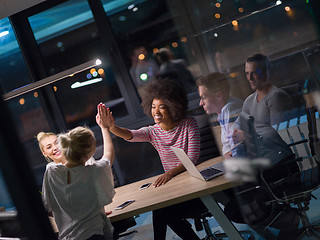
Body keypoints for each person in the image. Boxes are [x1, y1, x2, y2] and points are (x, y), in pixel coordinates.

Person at [105, 77, 206, 240]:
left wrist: (169, 174)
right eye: (153, 107)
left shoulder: (189, 124)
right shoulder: (153, 132)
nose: (156, 112)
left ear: (173, 107)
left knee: (163, 212)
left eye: (162, 107)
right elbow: (131, 135)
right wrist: (112, 127)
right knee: (161, 210)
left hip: (195, 185)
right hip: (174, 189)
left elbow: (192, 158)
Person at [229, 53, 300, 240]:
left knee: (242, 202)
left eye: (255, 72)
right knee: (235, 198)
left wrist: (249, 135)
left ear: (266, 72)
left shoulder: (276, 96)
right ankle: (285, 220)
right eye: (247, 73)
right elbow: (238, 126)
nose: (250, 78)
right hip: (261, 162)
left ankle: (288, 220)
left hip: (281, 163)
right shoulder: (249, 101)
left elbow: (281, 134)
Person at [42, 103, 116, 240]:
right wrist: (105, 128)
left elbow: (48, 206)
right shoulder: (94, 171)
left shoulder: (51, 171)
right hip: (93, 236)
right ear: (88, 154)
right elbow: (108, 154)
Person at [197, 72, 243, 158]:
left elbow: (236, 145)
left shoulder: (230, 109)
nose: (200, 103)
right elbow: (227, 146)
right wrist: (227, 153)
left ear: (218, 96)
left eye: (203, 97)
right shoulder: (222, 115)